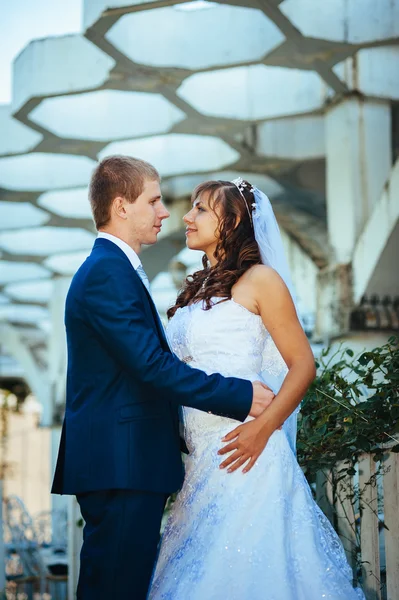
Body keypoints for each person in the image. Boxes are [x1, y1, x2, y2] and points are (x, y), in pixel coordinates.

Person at [51, 157, 275, 600]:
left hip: (126, 461)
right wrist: (239, 394)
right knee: (114, 588)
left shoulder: (114, 270)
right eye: (153, 201)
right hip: (121, 463)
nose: (166, 212)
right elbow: (151, 366)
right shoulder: (105, 274)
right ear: (121, 207)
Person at [149, 178, 365, 599]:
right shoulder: (196, 292)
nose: (187, 218)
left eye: (199, 209)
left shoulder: (262, 280)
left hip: (248, 457)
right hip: (200, 465)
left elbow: (303, 364)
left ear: (230, 221)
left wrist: (262, 428)